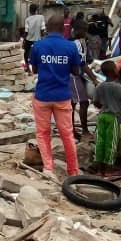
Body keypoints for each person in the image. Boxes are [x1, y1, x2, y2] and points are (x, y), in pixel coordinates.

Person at [30, 14, 82, 176]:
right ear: (63, 28)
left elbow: (34, 70)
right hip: (62, 96)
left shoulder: (38, 46)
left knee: (43, 133)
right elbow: (76, 71)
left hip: (42, 95)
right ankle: (73, 170)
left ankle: (48, 168)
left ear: (47, 27)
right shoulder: (71, 47)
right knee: (67, 133)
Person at [92, 65, 121, 175]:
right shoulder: (119, 87)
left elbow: (95, 102)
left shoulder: (99, 86)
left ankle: (100, 170)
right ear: (113, 71)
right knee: (112, 143)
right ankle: (109, 170)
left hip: (101, 117)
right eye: (115, 68)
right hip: (113, 117)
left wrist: (105, 106)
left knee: (100, 142)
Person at [71, 22, 99, 139]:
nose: (85, 33)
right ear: (77, 31)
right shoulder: (78, 43)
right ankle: (84, 130)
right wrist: (94, 79)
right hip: (73, 76)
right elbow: (81, 64)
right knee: (83, 102)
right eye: (84, 30)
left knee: (72, 104)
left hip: (73, 75)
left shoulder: (78, 42)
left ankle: (72, 129)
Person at [23, 4, 45, 70]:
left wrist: (23, 39)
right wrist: (42, 37)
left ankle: (27, 67)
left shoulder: (27, 19)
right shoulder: (41, 17)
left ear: (29, 10)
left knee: (26, 54)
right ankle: (38, 67)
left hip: (29, 39)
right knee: (39, 54)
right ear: (36, 10)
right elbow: (42, 29)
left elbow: (26, 31)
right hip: (38, 39)